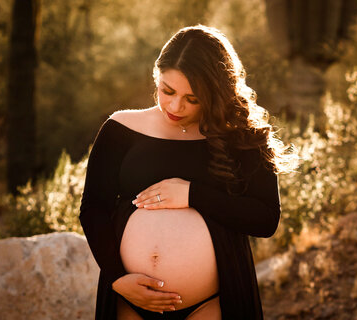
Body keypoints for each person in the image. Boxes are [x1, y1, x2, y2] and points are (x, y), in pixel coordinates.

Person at [79, 25, 298, 320]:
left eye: (193, 99)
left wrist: (192, 194)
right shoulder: (121, 129)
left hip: (211, 303)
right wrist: (118, 278)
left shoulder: (240, 138)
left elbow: (265, 218)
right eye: (167, 91)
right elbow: (94, 209)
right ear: (156, 76)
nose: (175, 105)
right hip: (130, 300)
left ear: (215, 92)